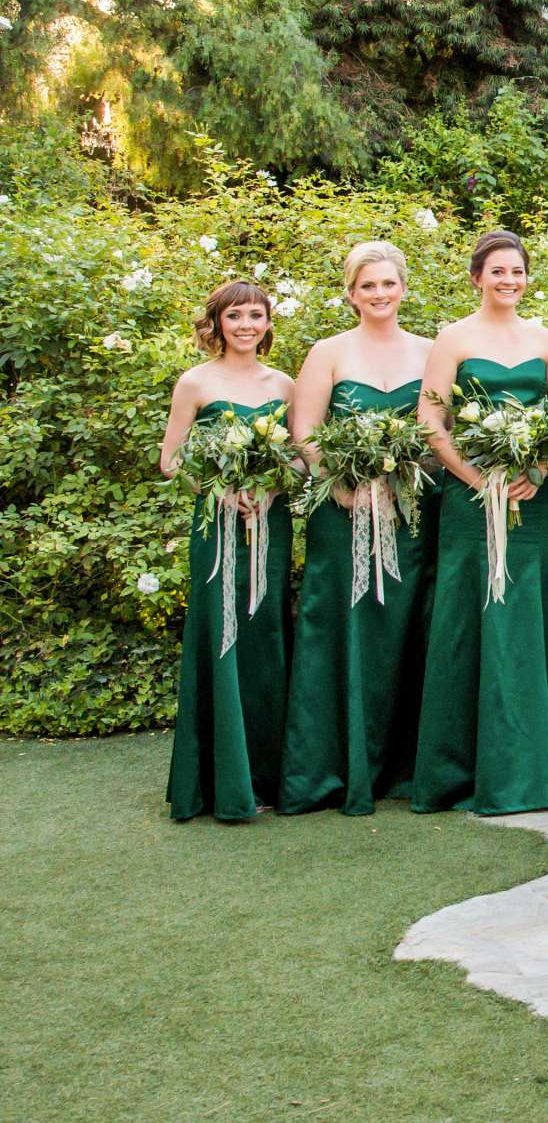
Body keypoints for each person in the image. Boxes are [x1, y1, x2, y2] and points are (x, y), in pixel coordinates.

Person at [413, 231, 548, 815]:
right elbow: (431, 418)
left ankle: (536, 764)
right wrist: (473, 478)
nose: (509, 281)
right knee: (469, 619)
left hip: (531, 498)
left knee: (527, 616)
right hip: (468, 501)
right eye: (498, 272)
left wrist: (538, 464)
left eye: (517, 272)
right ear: (477, 276)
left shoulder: (545, 340)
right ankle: (459, 770)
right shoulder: (453, 338)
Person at [280, 242, 435, 816]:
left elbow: (435, 432)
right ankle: (330, 768)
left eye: (388, 284)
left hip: (411, 513)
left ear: (403, 288)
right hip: (342, 517)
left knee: (404, 627)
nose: (379, 294)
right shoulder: (328, 352)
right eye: (367, 285)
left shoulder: (429, 351)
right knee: (341, 627)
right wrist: (340, 484)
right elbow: (307, 431)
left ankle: (401, 765)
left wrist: (405, 479)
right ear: (350, 293)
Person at [160, 280, 296, 822]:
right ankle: (217, 781)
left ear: (267, 324)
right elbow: (171, 460)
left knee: (266, 634)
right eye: (235, 316)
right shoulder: (196, 382)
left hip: (271, 523)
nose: (246, 325)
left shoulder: (285, 384)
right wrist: (220, 487)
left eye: (255, 316)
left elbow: (304, 456)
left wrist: (270, 486)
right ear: (216, 323)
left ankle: (267, 775)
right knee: (219, 634)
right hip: (216, 528)